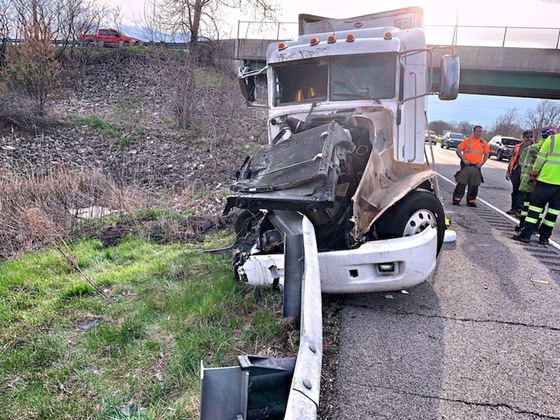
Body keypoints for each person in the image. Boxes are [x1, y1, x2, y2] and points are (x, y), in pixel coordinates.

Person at [512, 127, 560, 245]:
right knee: (553, 212)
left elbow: (540, 158)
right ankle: (544, 237)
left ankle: (526, 235)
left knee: (534, 208)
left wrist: (533, 174)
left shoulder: (552, 139)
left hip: (546, 179)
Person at [452, 125, 490, 207]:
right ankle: (456, 200)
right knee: (461, 184)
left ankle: (471, 201)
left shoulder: (484, 143)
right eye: (478, 131)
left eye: (481, 131)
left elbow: (486, 154)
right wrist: (463, 159)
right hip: (466, 166)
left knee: (474, 185)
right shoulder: (467, 141)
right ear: (474, 131)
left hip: (476, 167)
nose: (479, 133)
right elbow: (458, 150)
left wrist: (482, 163)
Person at [505, 130, 534, 215]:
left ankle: (520, 210)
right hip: (517, 170)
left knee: (523, 192)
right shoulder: (517, 147)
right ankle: (514, 208)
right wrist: (508, 171)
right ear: (523, 138)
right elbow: (512, 159)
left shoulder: (535, 147)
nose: (529, 139)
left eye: (530, 137)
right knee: (515, 190)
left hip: (528, 172)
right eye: (527, 137)